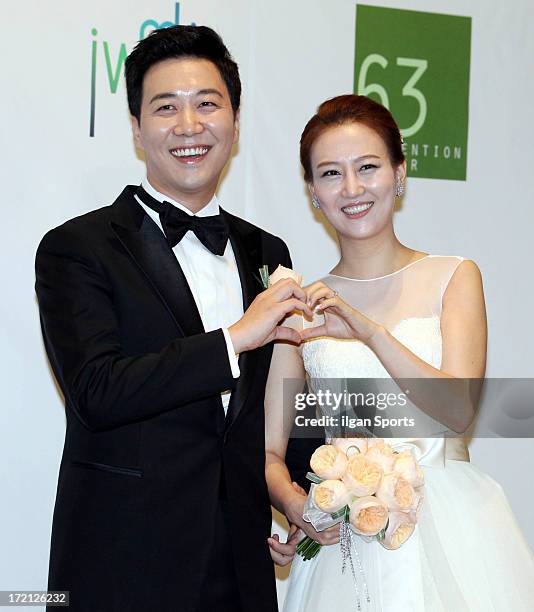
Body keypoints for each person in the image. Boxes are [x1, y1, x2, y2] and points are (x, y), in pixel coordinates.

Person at [35, 25, 309, 612]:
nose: (189, 126)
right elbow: (96, 391)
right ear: (137, 128)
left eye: (207, 104)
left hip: (241, 564)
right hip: (121, 566)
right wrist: (235, 339)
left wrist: (304, 494)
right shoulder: (76, 248)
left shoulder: (269, 253)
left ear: (234, 122)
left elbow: (270, 404)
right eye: (166, 108)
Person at [265, 95, 534, 611]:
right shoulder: (299, 306)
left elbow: (457, 411)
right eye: (330, 173)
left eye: (367, 167)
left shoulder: (453, 277)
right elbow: (270, 450)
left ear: (399, 171)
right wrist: (300, 506)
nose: (352, 189)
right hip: (344, 538)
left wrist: (368, 331)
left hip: (453, 525)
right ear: (313, 193)